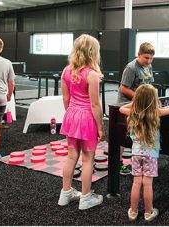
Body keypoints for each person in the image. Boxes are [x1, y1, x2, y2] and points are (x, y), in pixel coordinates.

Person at [56, 34, 106, 210]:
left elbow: (65, 99)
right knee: (87, 160)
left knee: (71, 157)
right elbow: (94, 104)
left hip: (71, 115)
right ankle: (85, 199)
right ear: (93, 52)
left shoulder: (66, 71)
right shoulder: (91, 74)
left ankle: (65, 194)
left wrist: (72, 116)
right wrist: (100, 127)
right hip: (86, 119)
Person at [120, 85, 169, 221]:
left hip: (135, 154)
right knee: (147, 184)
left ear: (137, 100)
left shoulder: (133, 113)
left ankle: (133, 212)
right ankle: (148, 213)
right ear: (153, 100)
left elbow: (121, 108)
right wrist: (158, 106)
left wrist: (135, 103)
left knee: (136, 182)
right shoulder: (156, 113)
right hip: (151, 155)